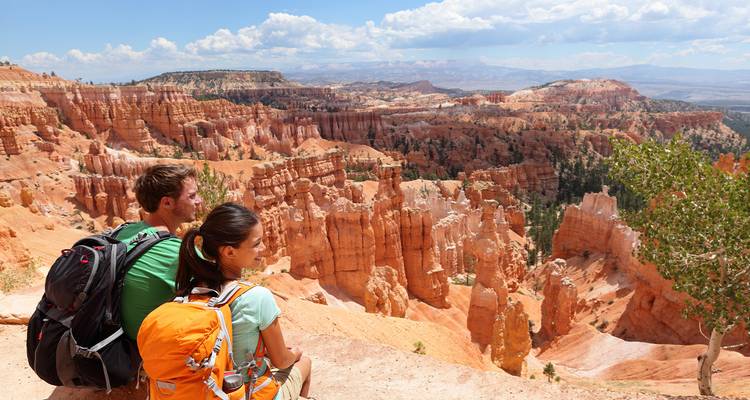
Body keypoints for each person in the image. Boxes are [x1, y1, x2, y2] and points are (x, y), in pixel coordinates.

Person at [176, 202, 312, 400]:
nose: (264, 248)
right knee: (305, 363)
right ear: (229, 252)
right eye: (257, 244)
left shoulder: (190, 291)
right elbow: (281, 361)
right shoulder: (257, 297)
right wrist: (296, 353)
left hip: (209, 391)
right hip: (247, 395)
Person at [117, 163, 202, 340]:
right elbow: (222, 295)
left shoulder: (124, 231)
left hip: (115, 341)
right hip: (147, 356)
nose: (199, 200)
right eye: (192, 196)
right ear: (167, 203)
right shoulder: (177, 253)